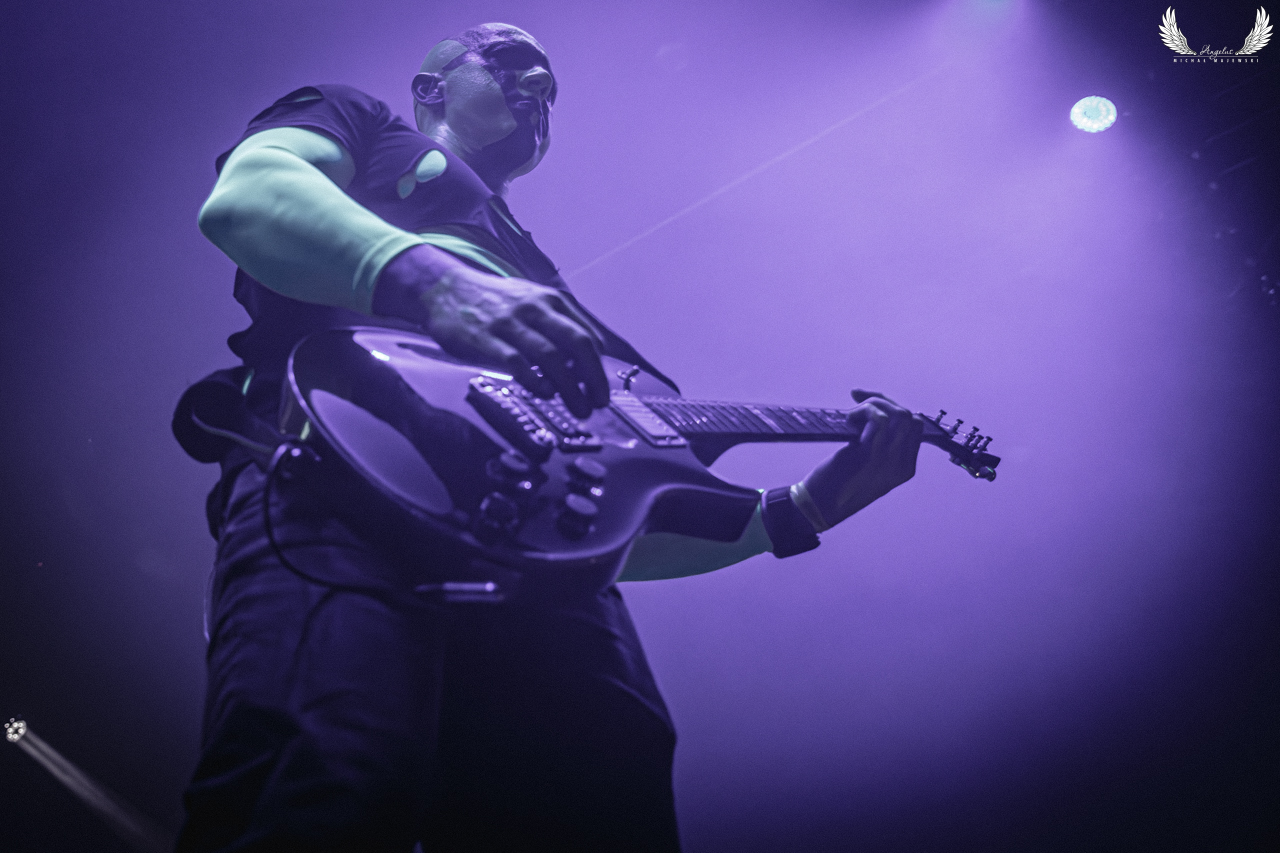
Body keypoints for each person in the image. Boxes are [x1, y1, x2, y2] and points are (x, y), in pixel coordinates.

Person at [172, 22, 922, 852]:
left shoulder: (538, 276)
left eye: (551, 86)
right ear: (429, 90)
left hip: (533, 568)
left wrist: (801, 510)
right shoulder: (359, 120)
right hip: (339, 482)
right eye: (509, 64)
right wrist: (430, 283)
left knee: (605, 807)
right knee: (322, 781)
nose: (539, 88)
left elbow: (608, 522)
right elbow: (248, 195)